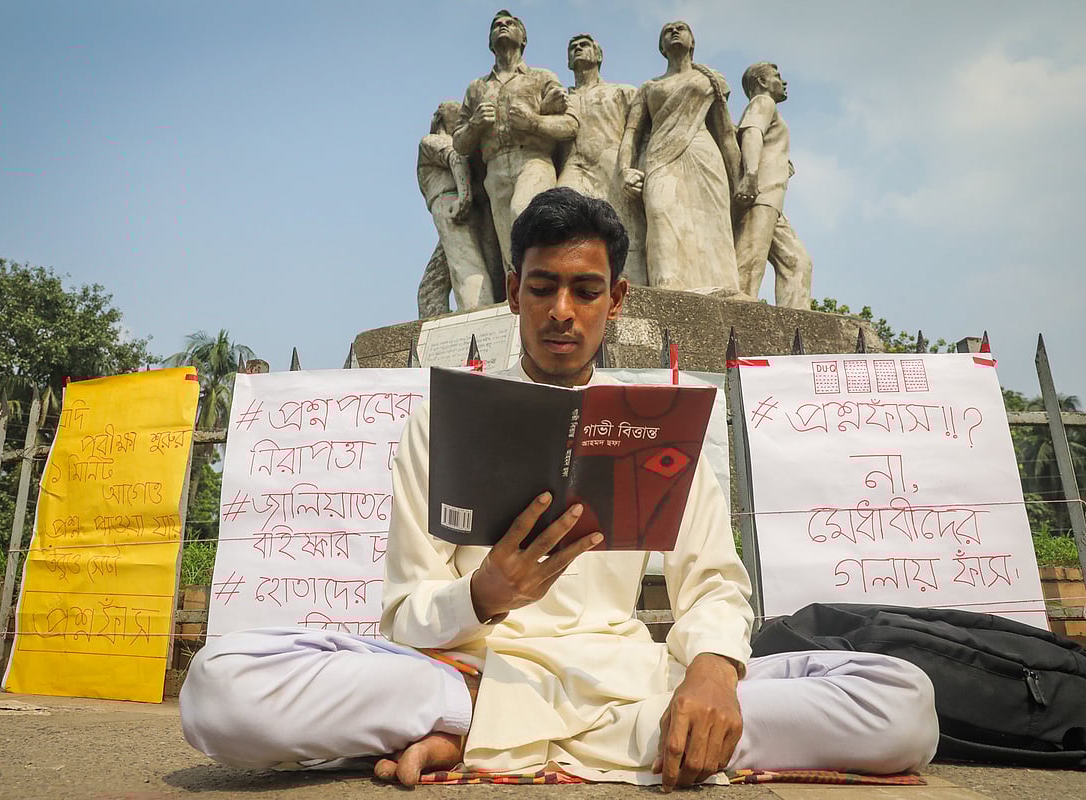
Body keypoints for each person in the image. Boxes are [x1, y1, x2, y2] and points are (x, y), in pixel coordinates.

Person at [179, 188, 939, 789]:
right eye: (543, 288)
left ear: (620, 298)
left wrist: (712, 674)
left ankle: (487, 744)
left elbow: (712, 583)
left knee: (900, 702)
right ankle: (503, 727)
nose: (562, 312)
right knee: (221, 689)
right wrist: (482, 595)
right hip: (470, 678)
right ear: (513, 292)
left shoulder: (657, 426)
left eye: (585, 289)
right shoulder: (441, 424)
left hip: (630, 687)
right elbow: (405, 616)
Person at [618, 21, 740, 292]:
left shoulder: (709, 80)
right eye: (666, 31)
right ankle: (669, 290)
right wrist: (623, 170)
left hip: (703, 154)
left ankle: (721, 288)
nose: (673, 32)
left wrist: (740, 180)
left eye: (680, 28)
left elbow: (726, 134)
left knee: (712, 224)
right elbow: (631, 133)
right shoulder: (650, 87)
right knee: (661, 213)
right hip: (661, 158)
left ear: (692, 41)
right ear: (661, 47)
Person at [452, 10, 577, 273]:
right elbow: (459, 144)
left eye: (509, 24)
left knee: (524, 214)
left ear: (523, 38)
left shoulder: (541, 77)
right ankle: (521, 304)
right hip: (495, 168)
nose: (502, 27)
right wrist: (475, 124)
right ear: (489, 42)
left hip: (533, 160)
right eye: (496, 25)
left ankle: (548, 281)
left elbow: (569, 125)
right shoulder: (477, 87)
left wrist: (533, 121)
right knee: (510, 247)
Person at [556, 33, 647, 285]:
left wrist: (635, 169)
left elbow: (644, 132)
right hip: (574, 167)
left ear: (599, 55)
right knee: (562, 219)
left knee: (626, 231)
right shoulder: (560, 100)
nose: (577, 49)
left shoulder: (621, 92)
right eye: (572, 47)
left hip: (613, 166)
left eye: (584, 45)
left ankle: (635, 290)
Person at [733, 62, 814, 309]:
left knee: (798, 261)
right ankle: (738, 315)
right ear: (762, 82)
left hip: (773, 199)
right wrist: (751, 174)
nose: (784, 81)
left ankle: (798, 327)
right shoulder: (762, 102)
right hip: (760, 193)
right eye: (777, 76)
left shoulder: (768, 108)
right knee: (749, 260)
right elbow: (751, 133)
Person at [417, 101, 495, 310]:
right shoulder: (443, 141)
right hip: (461, 205)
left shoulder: (433, 141)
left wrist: (464, 197)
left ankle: (477, 315)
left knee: (466, 266)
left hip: (451, 204)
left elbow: (456, 158)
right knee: (430, 286)